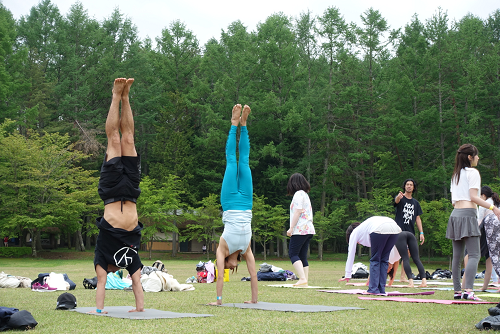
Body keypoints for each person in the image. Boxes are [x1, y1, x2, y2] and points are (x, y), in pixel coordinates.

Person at [92, 78, 144, 314]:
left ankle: (117, 95)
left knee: (114, 138)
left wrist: (100, 310)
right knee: (128, 138)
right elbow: (137, 283)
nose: (112, 272)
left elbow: (100, 283)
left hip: (111, 190)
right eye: (113, 272)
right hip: (131, 191)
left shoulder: (102, 259)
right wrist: (139, 309)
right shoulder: (129, 259)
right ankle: (125, 96)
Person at [209, 104, 258, 306]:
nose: (226, 269)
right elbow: (254, 275)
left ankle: (233, 124)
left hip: (229, 202)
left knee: (231, 162)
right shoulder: (246, 248)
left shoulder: (223, 247)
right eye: (230, 268)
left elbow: (219, 276)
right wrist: (254, 300)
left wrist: (218, 301)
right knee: (244, 162)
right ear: (235, 263)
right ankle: (243, 125)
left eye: (226, 268)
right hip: (246, 202)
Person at [447, 144, 500, 301]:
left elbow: (453, 201)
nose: (478, 158)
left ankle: (458, 291)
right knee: (475, 254)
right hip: (468, 214)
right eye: (476, 155)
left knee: (457, 257)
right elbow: (473, 197)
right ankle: (468, 291)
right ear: (470, 157)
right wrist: (493, 208)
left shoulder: (455, 175)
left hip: (455, 214)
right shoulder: (473, 172)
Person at [339, 216, 401, 294]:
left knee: (375, 260)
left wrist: (347, 274)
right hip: (395, 228)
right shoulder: (365, 228)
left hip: (380, 228)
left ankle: (373, 289)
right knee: (384, 260)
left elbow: (351, 253)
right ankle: (381, 289)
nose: (359, 243)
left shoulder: (355, 232)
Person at [463, 186, 500, 291]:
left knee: (469, 254)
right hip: (496, 234)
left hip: (485, 232)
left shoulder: (485, 204)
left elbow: (479, 221)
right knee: (493, 258)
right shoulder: (496, 202)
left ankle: (465, 285)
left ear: (483, 196)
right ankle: (484, 287)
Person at [394, 179, 427, 287]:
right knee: (403, 256)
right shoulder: (401, 198)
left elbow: (418, 218)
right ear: (404, 186)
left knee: (410, 256)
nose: (409, 186)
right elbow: (396, 201)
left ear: (413, 188)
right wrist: (398, 197)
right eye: (407, 184)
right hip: (399, 231)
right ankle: (404, 278)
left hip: (410, 233)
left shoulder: (415, 203)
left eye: (411, 185)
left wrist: (421, 232)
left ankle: (408, 278)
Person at [286, 173, 315, 287]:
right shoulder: (305, 195)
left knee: (293, 253)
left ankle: (302, 278)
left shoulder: (298, 194)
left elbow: (298, 211)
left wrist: (291, 228)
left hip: (300, 229)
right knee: (302, 256)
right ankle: (305, 280)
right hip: (308, 229)